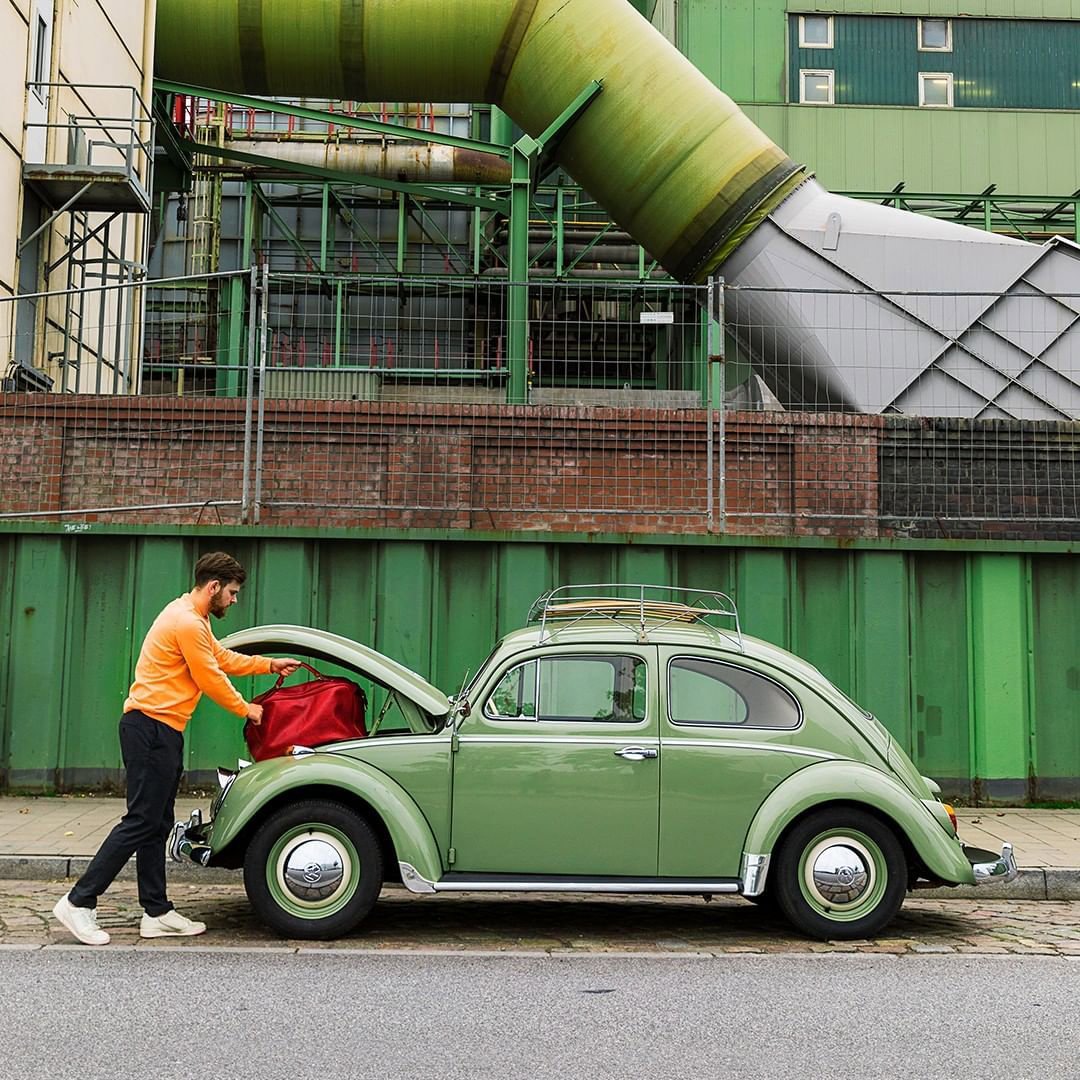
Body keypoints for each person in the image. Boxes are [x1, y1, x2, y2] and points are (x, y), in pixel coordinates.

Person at [52, 552, 300, 944]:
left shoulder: (192, 617)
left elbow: (219, 658)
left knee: (157, 823)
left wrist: (269, 665)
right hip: (149, 727)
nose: (235, 600)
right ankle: (79, 901)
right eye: (232, 593)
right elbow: (210, 677)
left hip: (162, 730)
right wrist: (247, 710)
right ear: (213, 586)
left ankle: (156, 911)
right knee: (140, 821)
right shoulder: (185, 621)